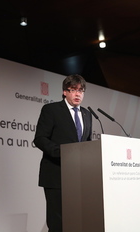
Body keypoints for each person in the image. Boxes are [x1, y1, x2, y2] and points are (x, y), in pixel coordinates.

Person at [33, 74, 92, 232]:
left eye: (81, 90)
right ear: (64, 92)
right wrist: (63, 153)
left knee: (78, 220)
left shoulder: (87, 114)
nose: (78, 94)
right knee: (58, 222)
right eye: (73, 90)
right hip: (56, 173)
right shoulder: (51, 110)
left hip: (79, 177)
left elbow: (87, 143)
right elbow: (40, 138)